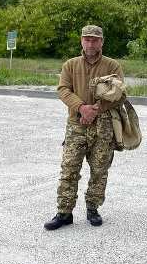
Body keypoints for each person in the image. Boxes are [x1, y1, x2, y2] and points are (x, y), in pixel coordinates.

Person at [44, 25, 124, 230]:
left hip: (103, 126)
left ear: (102, 42)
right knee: (69, 169)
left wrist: (94, 110)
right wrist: (81, 108)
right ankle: (64, 212)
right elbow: (63, 89)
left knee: (99, 170)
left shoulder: (112, 66)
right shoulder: (70, 65)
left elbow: (118, 94)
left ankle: (93, 208)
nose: (90, 43)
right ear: (81, 41)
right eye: (87, 39)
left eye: (95, 40)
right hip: (76, 125)